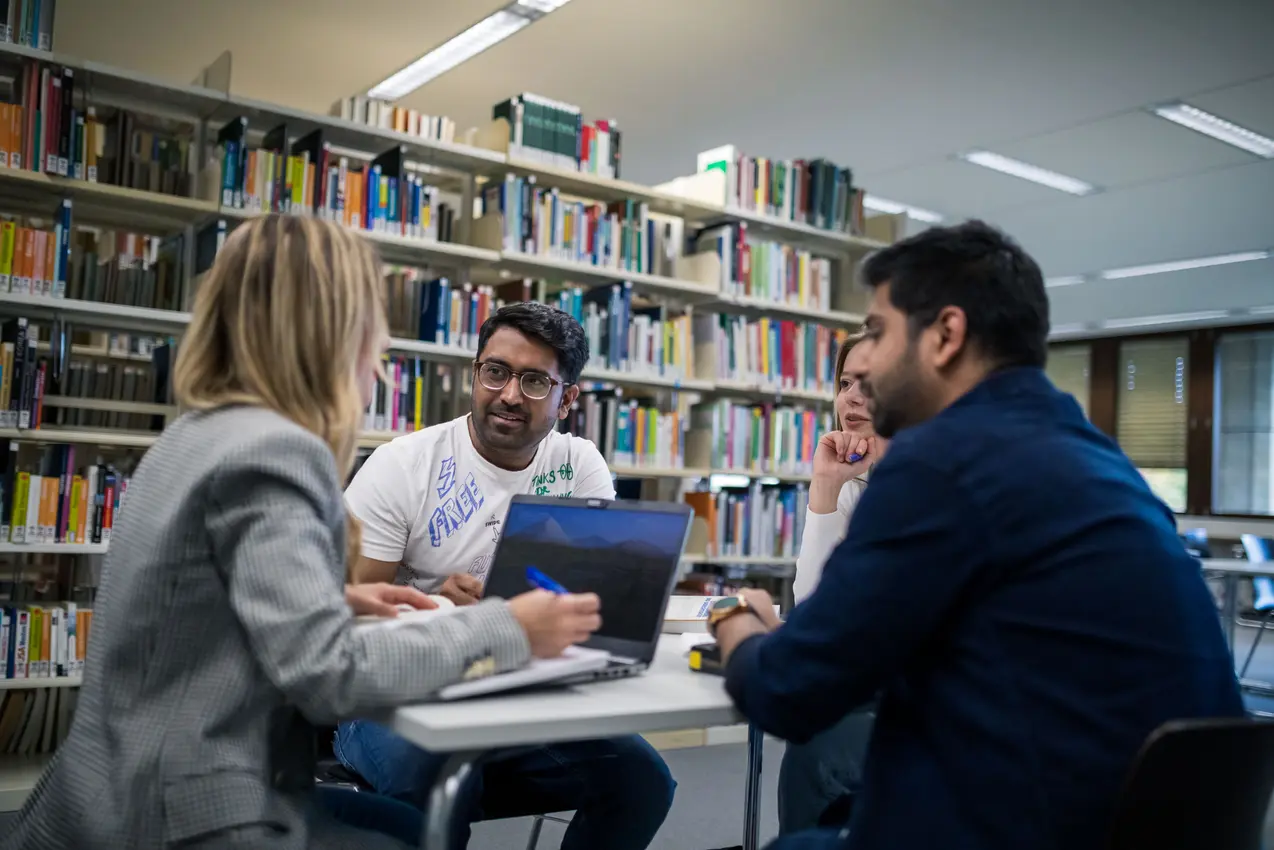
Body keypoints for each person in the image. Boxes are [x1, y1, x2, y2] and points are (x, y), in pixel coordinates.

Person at [0, 215, 604, 850]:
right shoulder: (279, 453)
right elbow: (328, 676)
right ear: (329, 331)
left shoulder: (197, 434)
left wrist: (330, 602)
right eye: (371, 321)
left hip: (105, 785)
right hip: (187, 811)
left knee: (408, 826)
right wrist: (510, 629)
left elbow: (185, 601)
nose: (381, 353)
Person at [710, 220, 1244, 850]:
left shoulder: (941, 463)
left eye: (879, 334)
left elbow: (787, 694)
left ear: (946, 335)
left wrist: (733, 613)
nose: (868, 367)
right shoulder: (1097, 457)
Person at [333, 301, 676, 850]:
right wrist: (437, 606)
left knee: (642, 782)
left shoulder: (579, 465)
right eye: (496, 371)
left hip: (525, 690)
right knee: (439, 781)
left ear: (567, 399)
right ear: (476, 372)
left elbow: (598, 604)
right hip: (395, 695)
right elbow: (349, 620)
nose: (510, 394)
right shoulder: (404, 465)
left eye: (535, 381)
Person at [778, 334, 885, 835]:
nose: (852, 398)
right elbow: (811, 609)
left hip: (948, 697)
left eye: (871, 383)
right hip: (870, 683)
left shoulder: (941, 480)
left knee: (814, 758)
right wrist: (825, 487)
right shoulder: (851, 481)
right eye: (845, 383)